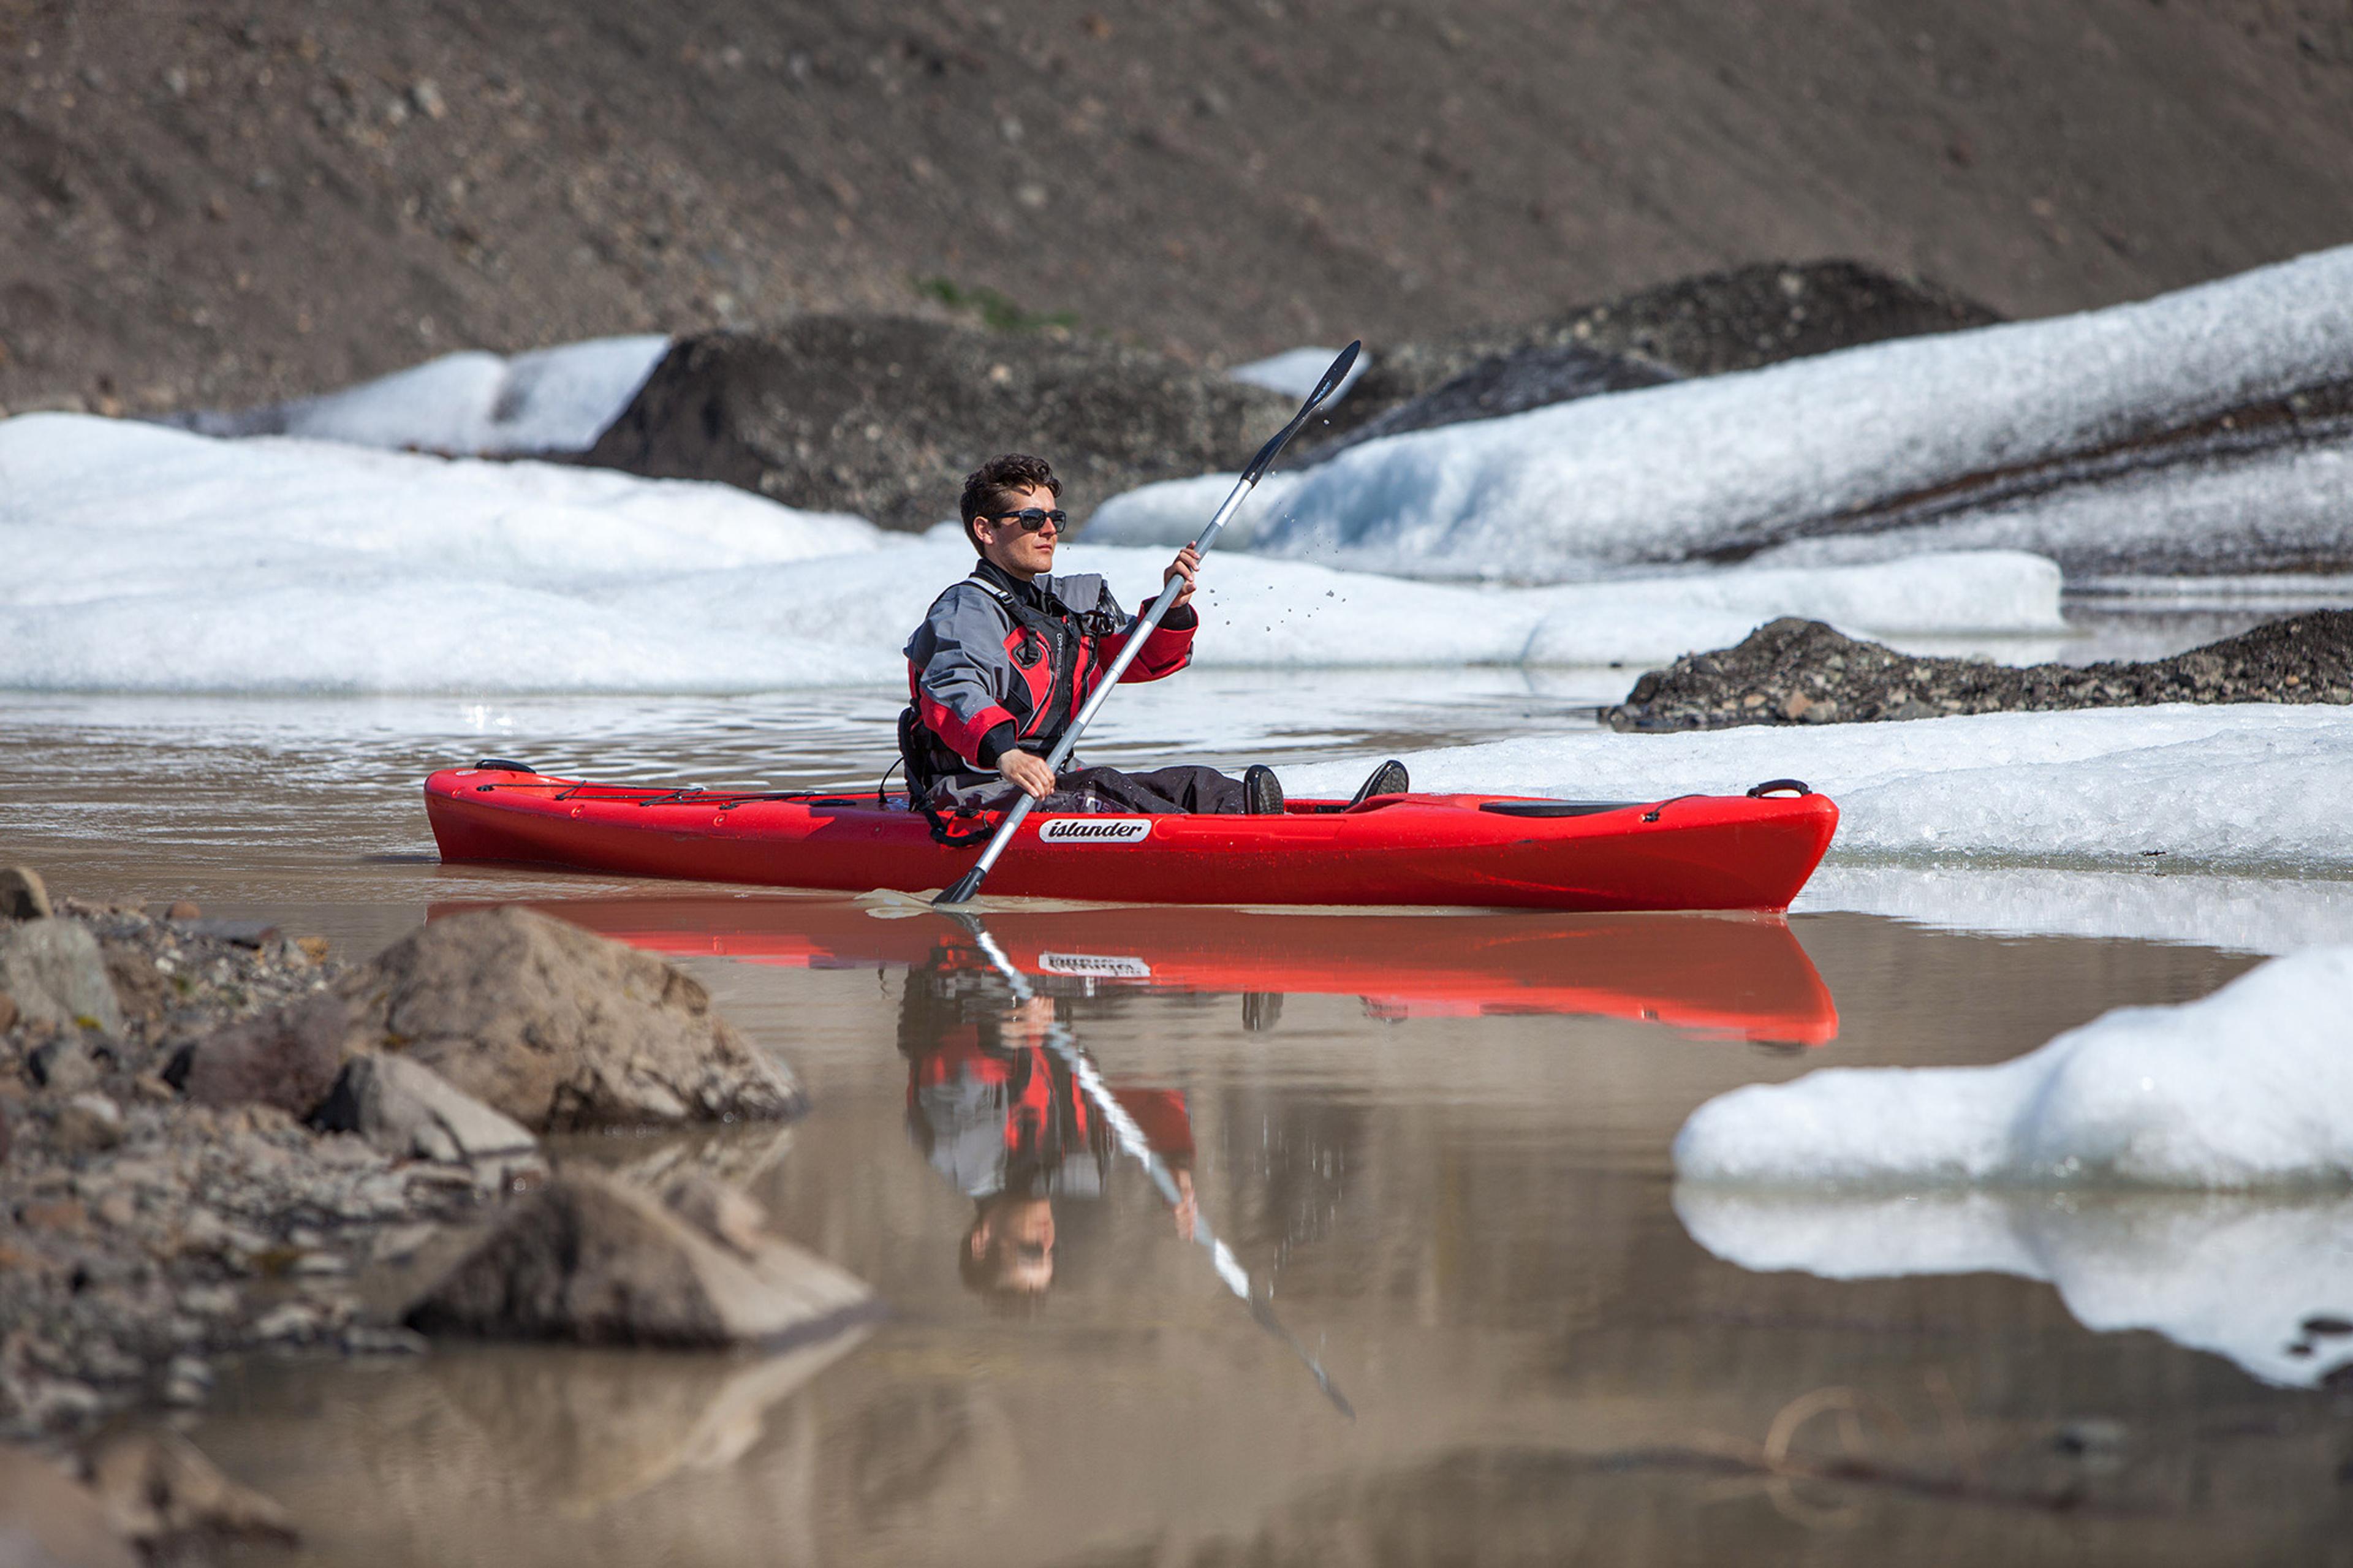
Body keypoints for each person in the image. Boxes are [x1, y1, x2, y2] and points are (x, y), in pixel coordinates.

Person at [900, 453, 1406, 822]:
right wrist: (1004, 752)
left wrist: (1172, 606)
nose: (1050, 529)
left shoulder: (1064, 605)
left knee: (1193, 783)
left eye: (1055, 517)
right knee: (1103, 790)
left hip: (1048, 784)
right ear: (986, 531)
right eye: (1032, 519)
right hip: (976, 790)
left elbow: (1137, 660)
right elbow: (952, 689)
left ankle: (1321, 827)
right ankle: (1265, 845)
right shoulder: (966, 608)